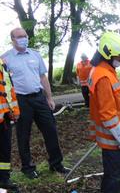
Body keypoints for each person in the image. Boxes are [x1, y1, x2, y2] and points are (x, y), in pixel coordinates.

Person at [1, 27, 70, 179]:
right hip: (21, 101)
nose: (24, 38)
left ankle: (56, 163)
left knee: (51, 130)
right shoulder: (5, 58)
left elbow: (43, 77)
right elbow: (4, 85)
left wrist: (49, 98)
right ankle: (28, 168)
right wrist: (10, 107)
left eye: (25, 35)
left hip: (39, 98)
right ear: (13, 39)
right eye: (20, 36)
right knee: (23, 135)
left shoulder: (35, 55)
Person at [88, 32, 120, 193]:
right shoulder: (104, 77)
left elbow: (114, 101)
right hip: (113, 137)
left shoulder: (105, 70)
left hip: (116, 135)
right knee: (115, 175)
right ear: (108, 54)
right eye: (118, 56)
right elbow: (107, 113)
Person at [0, 59, 21, 191]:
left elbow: (9, 88)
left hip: (4, 117)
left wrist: (16, 111)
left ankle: (4, 179)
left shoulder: (2, 63)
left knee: (4, 149)